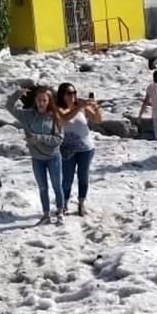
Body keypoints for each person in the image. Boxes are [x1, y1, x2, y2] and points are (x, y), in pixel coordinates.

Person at [9, 86, 65, 225]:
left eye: (44, 100)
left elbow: (58, 139)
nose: (41, 103)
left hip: (53, 157)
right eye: (39, 100)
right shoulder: (27, 115)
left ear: (49, 101)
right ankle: (46, 214)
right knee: (42, 187)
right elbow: (9, 107)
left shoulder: (55, 116)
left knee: (57, 186)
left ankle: (60, 212)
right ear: (35, 100)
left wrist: (38, 138)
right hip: (37, 159)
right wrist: (17, 94)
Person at [56, 83, 102, 217]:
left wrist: (96, 108)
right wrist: (80, 106)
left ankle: (81, 203)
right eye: (69, 93)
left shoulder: (81, 108)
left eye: (74, 93)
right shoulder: (58, 108)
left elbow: (98, 120)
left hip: (86, 148)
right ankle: (64, 203)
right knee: (67, 178)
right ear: (62, 95)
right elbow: (65, 118)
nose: (73, 96)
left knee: (83, 177)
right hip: (67, 149)